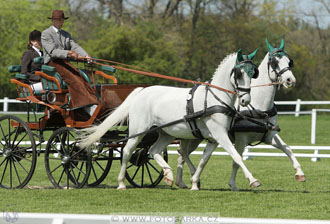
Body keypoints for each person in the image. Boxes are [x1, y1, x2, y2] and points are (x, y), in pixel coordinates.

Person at [41, 9, 98, 115]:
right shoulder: (46, 34)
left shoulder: (66, 34)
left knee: (81, 76)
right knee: (73, 78)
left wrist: (85, 56)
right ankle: (85, 106)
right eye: (58, 20)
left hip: (64, 62)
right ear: (53, 21)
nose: (61, 22)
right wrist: (68, 53)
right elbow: (52, 52)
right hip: (53, 63)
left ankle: (91, 102)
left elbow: (74, 46)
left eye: (62, 20)